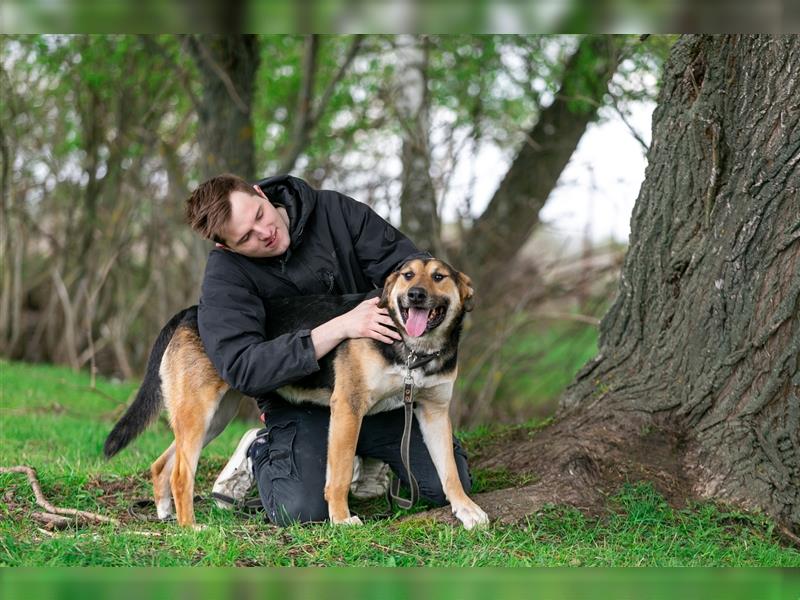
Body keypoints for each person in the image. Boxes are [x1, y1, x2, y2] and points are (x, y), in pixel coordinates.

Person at [184, 173, 472, 526]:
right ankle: (259, 451)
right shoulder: (225, 276)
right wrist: (339, 328)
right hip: (300, 403)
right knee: (301, 511)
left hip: (381, 390)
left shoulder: (335, 211)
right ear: (226, 247)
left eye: (260, 214)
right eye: (246, 237)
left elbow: (407, 271)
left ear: (260, 193)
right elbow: (242, 367)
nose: (264, 232)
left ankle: (365, 458)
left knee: (441, 487)